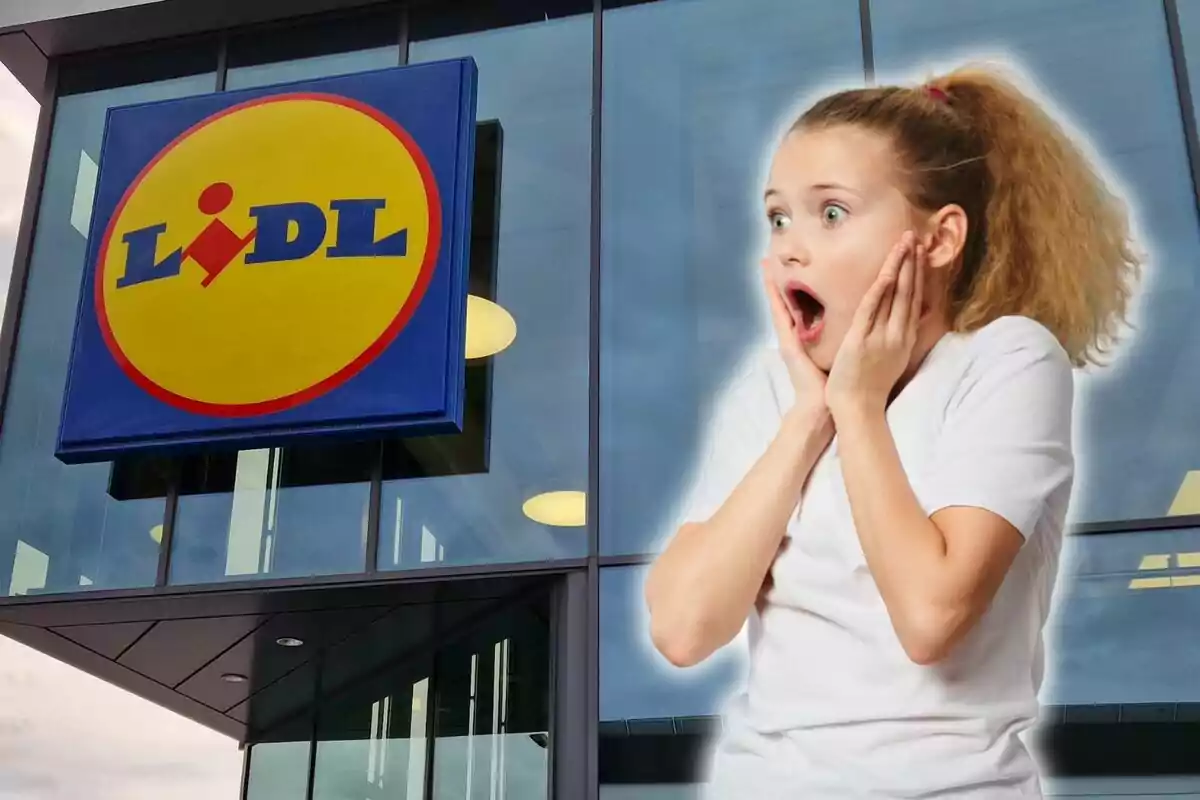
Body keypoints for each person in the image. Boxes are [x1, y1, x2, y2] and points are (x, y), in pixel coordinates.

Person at [644, 63, 1142, 799]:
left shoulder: (1006, 361)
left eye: (832, 213)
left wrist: (858, 408)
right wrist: (810, 419)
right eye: (778, 216)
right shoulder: (769, 393)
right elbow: (685, 630)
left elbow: (930, 615)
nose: (788, 246)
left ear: (939, 239)